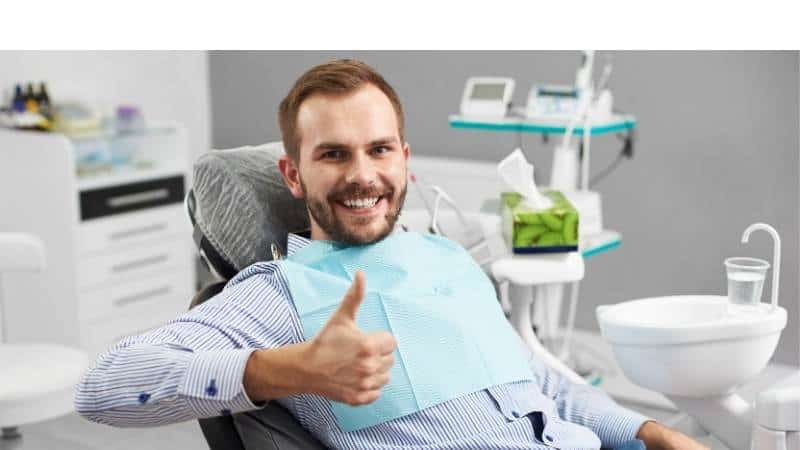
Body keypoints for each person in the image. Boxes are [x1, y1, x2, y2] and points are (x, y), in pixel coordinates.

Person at [76, 59, 707, 450]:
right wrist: (287, 371)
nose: (362, 175)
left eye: (379, 149)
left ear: (404, 159)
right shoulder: (278, 293)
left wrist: (649, 432)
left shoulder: (449, 260)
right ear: (293, 176)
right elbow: (102, 387)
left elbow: (538, 384)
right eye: (333, 154)